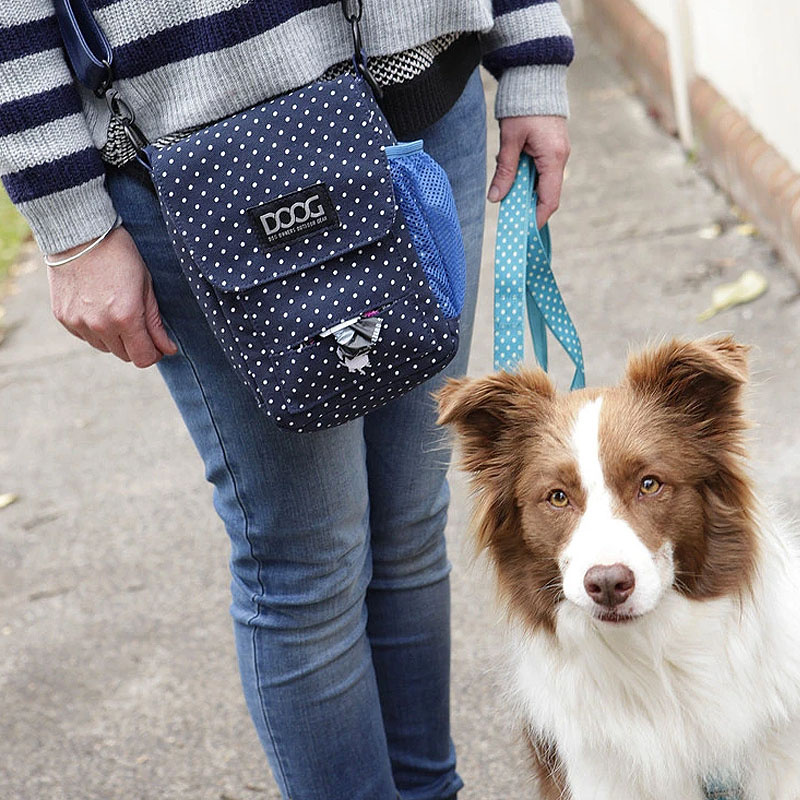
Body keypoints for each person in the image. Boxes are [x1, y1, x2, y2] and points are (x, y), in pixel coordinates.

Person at [0, 3, 573, 798]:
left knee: (410, 523)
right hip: (201, 151)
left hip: (423, 97)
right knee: (308, 561)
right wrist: (69, 220)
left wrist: (532, 48)